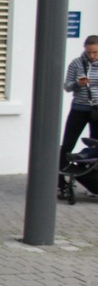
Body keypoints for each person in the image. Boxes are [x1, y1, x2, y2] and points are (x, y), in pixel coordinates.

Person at [58, 34, 98, 193]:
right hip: (79, 109)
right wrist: (77, 84)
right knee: (68, 143)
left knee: (96, 145)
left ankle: (93, 183)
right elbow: (67, 86)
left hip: (97, 110)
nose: (92, 56)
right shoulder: (76, 63)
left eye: (95, 52)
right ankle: (60, 181)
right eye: (89, 52)